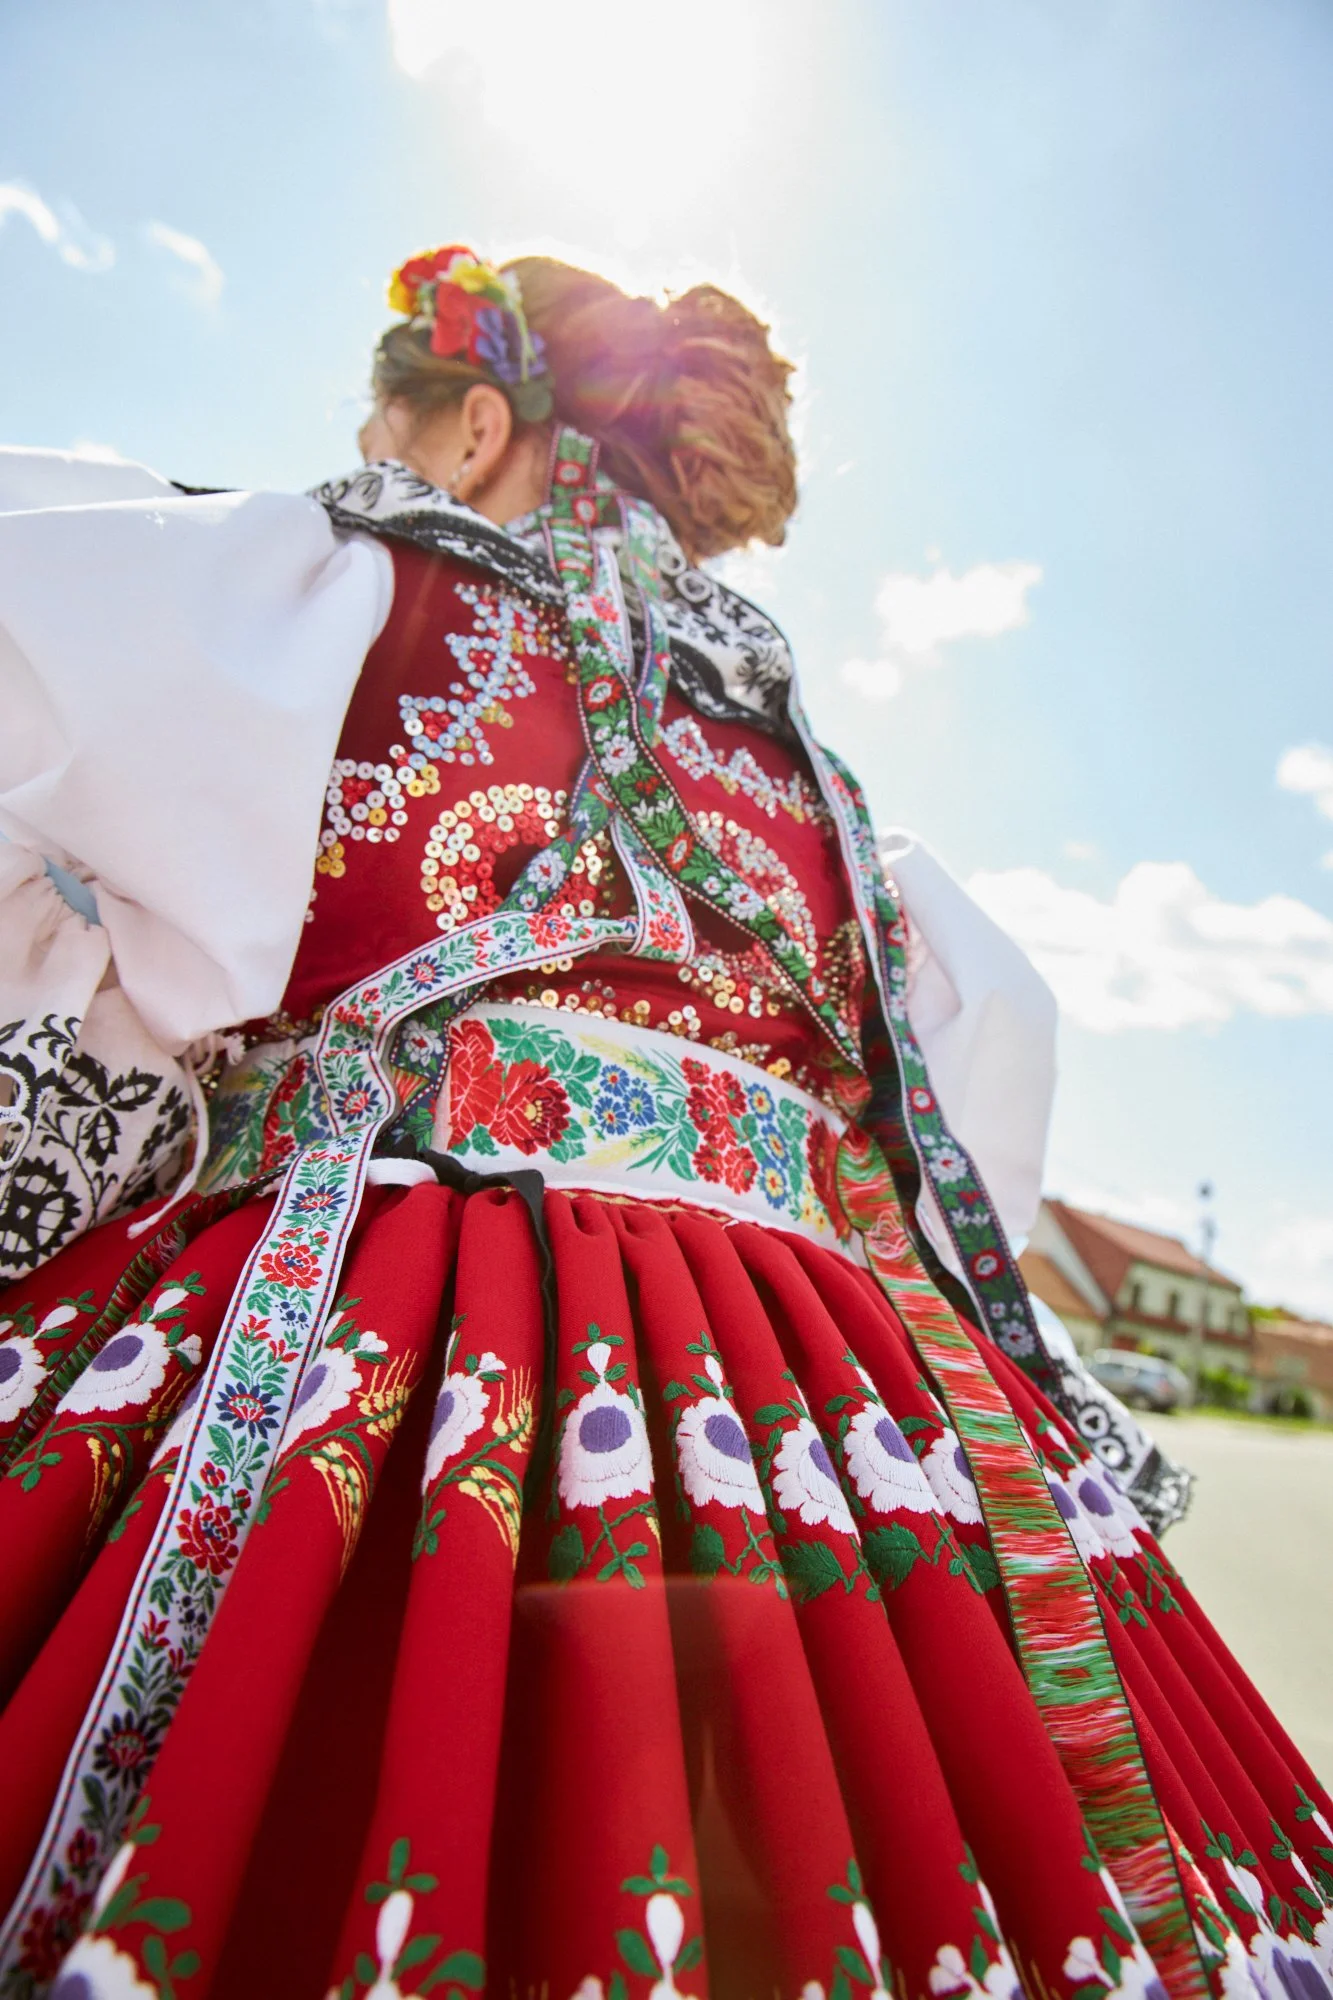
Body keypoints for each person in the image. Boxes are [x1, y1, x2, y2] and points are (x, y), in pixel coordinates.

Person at [0, 246, 1326, 2000]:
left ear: (477, 428)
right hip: (797, 1387)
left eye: (387, 428)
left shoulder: (337, 604)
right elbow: (971, 1123)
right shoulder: (830, 801)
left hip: (383, 1321)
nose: (372, 459)